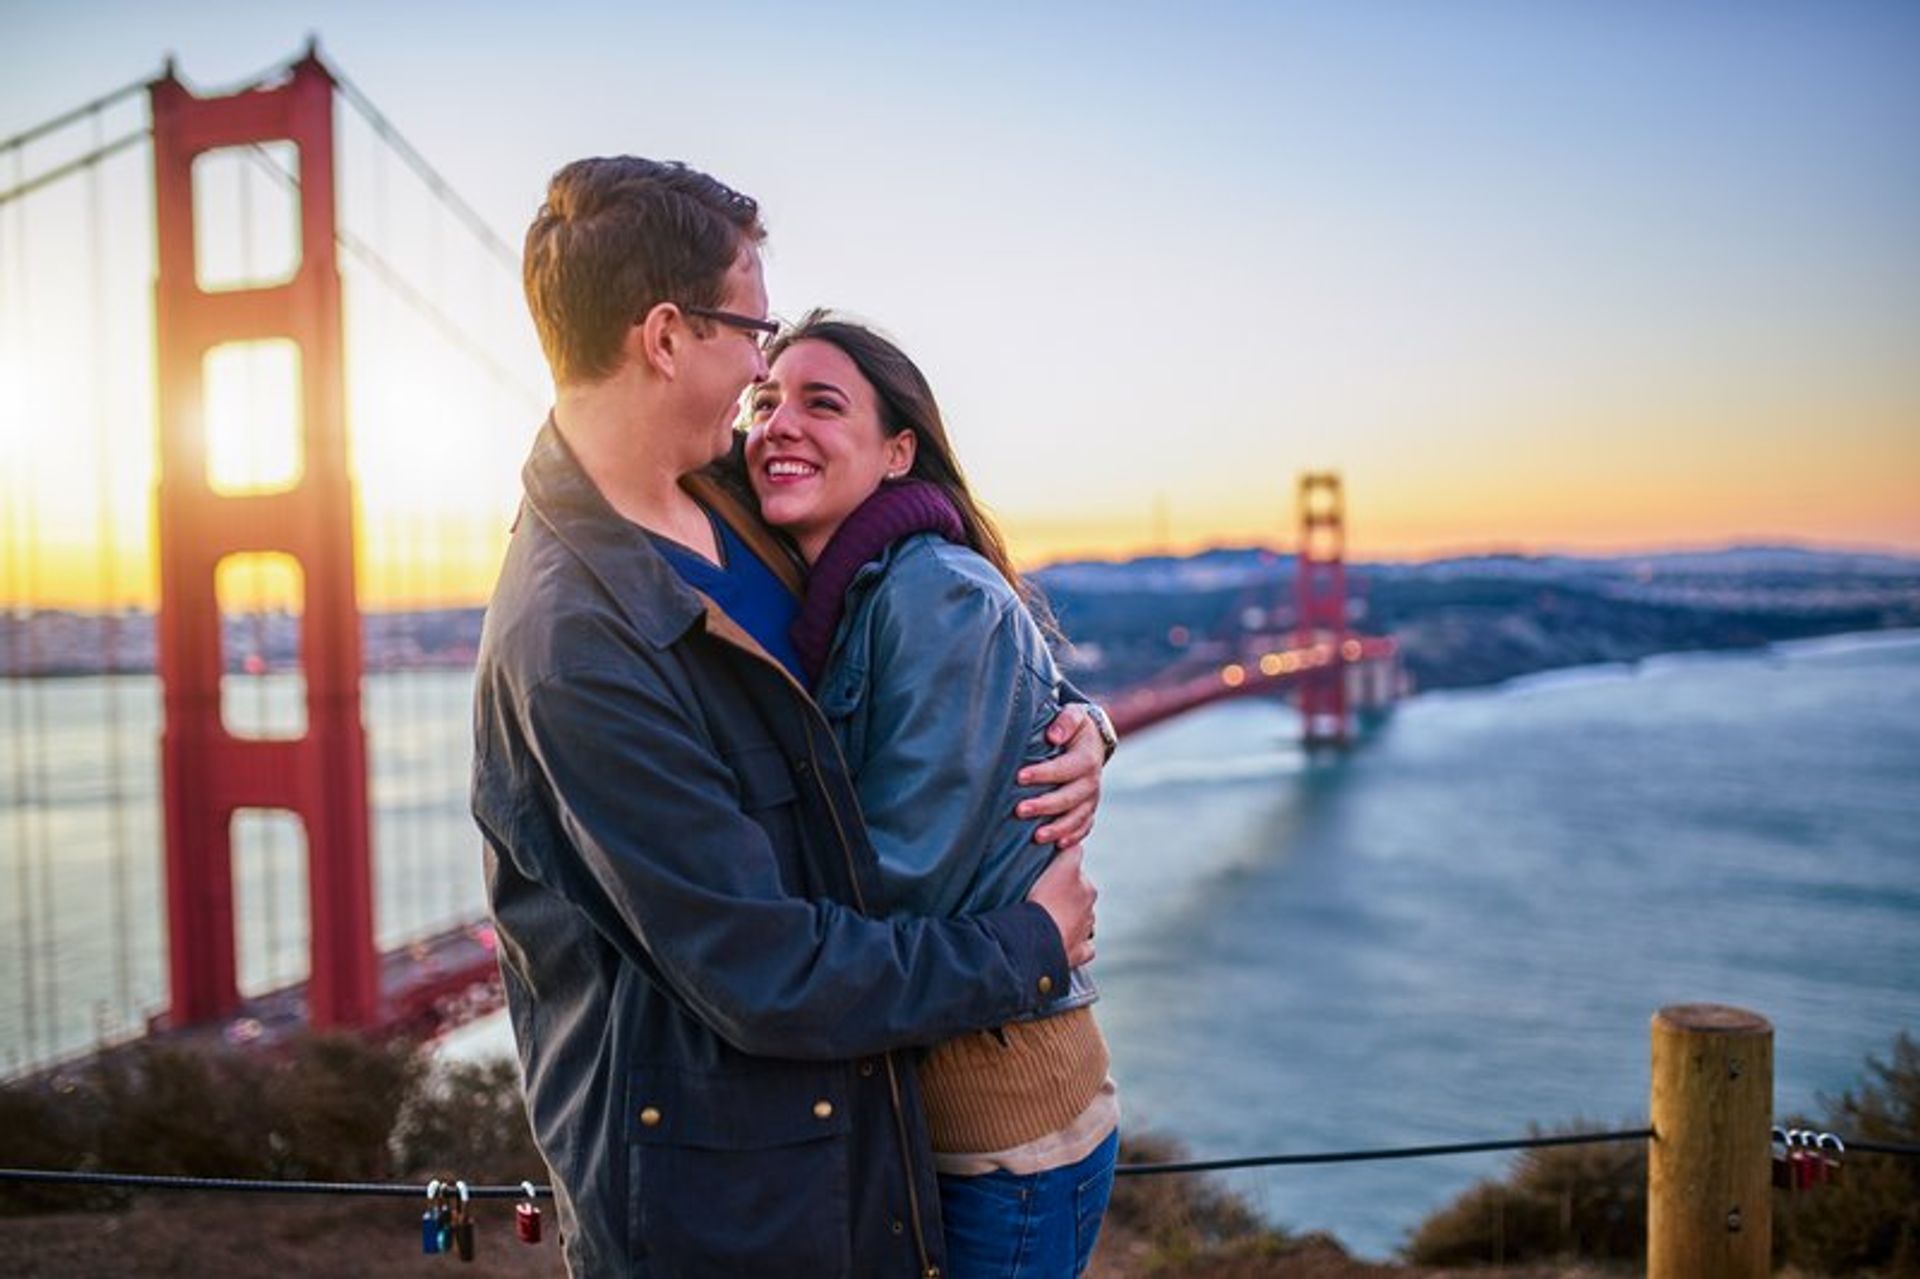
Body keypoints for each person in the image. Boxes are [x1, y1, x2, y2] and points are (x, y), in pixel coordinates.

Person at [471, 156, 1111, 1278]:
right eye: (750, 333)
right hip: (729, 1203)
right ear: (666, 336)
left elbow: (936, 624)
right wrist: (1029, 947)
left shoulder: (730, 499)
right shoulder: (574, 642)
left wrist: (1075, 726)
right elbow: (764, 969)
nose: (763, 369)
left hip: (858, 1140)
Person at [743, 312, 1118, 1278]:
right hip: (929, 1111)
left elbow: (902, 880)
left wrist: (710, 909)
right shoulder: (837, 591)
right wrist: (1087, 719)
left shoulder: (932, 593)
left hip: (998, 1125)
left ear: (899, 450)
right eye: (763, 400)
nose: (778, 422)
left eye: (822, 404)